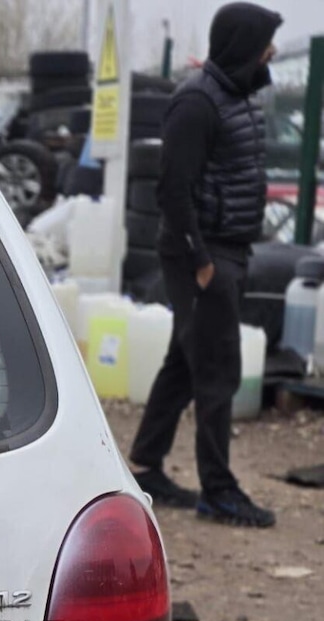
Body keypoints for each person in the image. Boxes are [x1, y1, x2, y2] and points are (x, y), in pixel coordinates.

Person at [128, 2, 282, 528]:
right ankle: (219, 492)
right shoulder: (196, 102)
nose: (273, 52)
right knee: (217, 371)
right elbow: (174, 188)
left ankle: (145, 464)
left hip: (229, 248)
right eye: (266, 42)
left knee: (184, 364)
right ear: (243, 45)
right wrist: (199, 260)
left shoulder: (237, 96)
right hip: (205, 252)